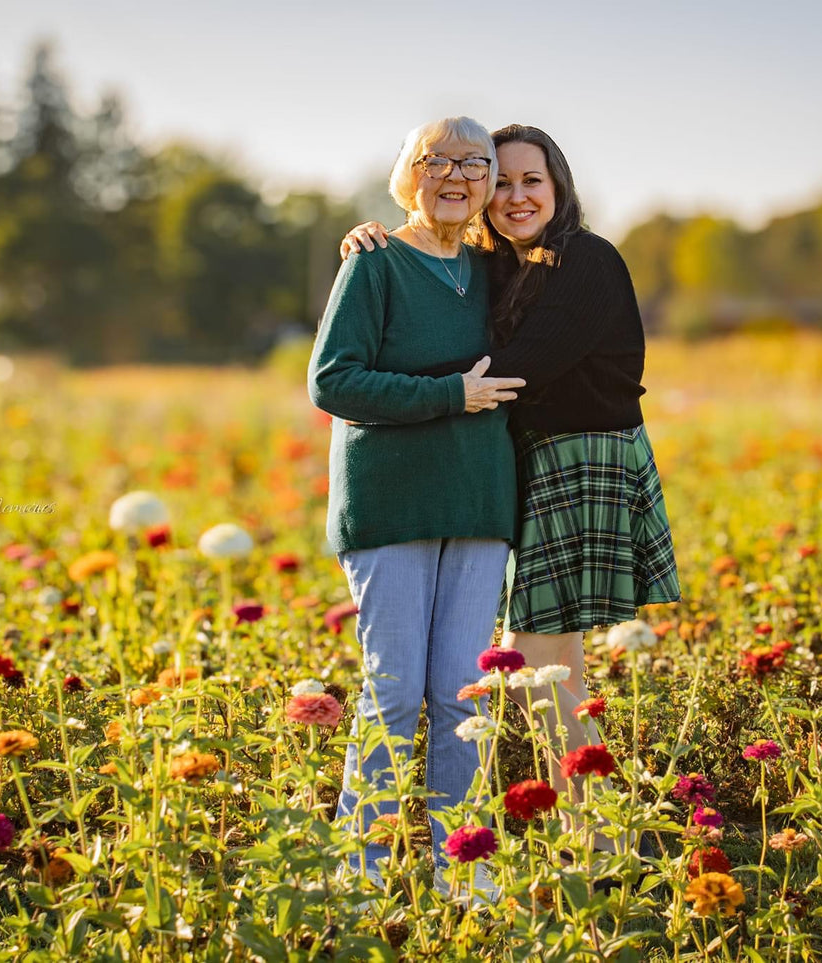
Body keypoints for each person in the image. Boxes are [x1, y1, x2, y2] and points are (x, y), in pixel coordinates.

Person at [342, 125, 681, 836]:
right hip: (535, 463)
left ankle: (589, 831)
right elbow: (437, 282)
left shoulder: (583, 259)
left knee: (531, 660)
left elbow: (515, 368)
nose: (515, 195)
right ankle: (591, 833)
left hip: (584, 459)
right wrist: (381, 234)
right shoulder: (508, 265)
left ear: (559, 189)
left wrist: (384, 386)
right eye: (503, 182)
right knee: (558, 667)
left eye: (533, 181)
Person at [308, 116, 526, 898]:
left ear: (490, 183)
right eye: (438, 160)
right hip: (391, 502)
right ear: (411, 173)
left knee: (461, 695)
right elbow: (333, 381)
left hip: (478, 504)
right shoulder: (373, 262)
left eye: (476, 162)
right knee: (393, 689)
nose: (457, 175)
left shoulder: (494, 270)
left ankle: (462, 871)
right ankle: (357, 876)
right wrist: (450, 395)